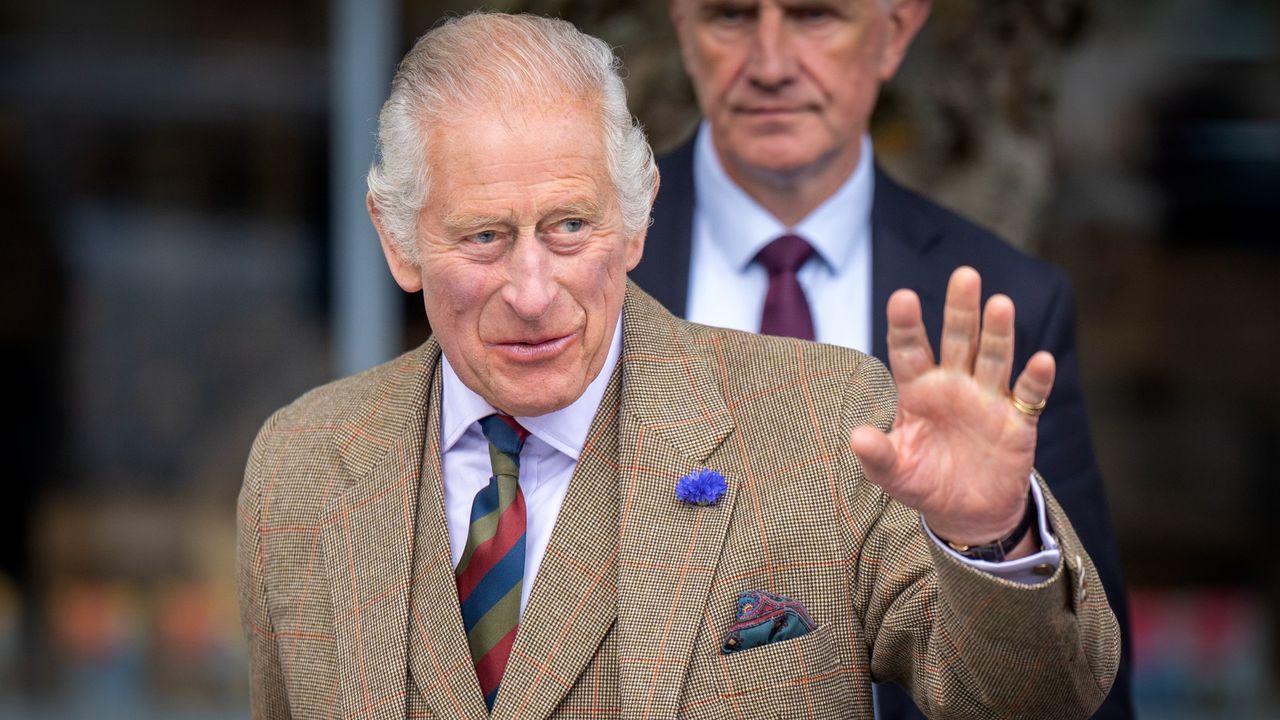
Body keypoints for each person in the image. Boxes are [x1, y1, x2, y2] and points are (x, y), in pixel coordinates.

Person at [237, 12, 1118, 719]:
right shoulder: (300, 469)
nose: (533, 290)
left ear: (636, 219)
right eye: (483, 238)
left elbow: (1030, 700)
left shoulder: (826, 419)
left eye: (569, 227)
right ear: (398, 240)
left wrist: (991, 541)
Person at [629, 2, 1133, 717]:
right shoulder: (582, 279)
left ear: (894, 33)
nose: (770, 65)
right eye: (731, 16)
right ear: (682, 28)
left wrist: (994, 540)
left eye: (814, 17)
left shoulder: (1011, 302)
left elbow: (1081, 689)